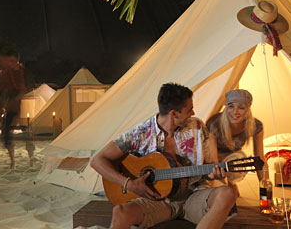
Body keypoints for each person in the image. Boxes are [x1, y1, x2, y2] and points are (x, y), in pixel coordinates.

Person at [90, 83, 238, 229]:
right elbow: (97, 161)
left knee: (229, 193)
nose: (193, 113)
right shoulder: (140, 134)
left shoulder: (197, 127)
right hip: (157, 201)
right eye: (189, 109)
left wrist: (214, 174)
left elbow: (210, 166)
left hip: (193, 196)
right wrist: (129, 184)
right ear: (174, 114)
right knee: (120, 212)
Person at [0, 44, 33, 169]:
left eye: (12, 61)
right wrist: (1, 106)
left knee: (27, 133)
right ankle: (13, 162)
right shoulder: (6, 73)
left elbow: (29, 88)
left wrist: (18, 97)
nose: (10, 63)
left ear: (17, 60)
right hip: (11, 105)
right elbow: (4, 92)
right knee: (6, 134)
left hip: (23, 104)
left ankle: (31, 160)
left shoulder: (24, 72)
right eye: (8, 61)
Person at [207, 89, 265, 180]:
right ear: (226, 107)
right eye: (231, 106)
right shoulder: (214, 124)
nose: (235, 112)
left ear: (248, 109)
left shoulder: (256, 126)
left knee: (239, 159)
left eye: (241, 108)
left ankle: (231, 183)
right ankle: (227, 186)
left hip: (231, 158)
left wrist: (264, 184)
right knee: (225, 192)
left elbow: (260, 159)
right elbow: (213, 161)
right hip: (210, 159)